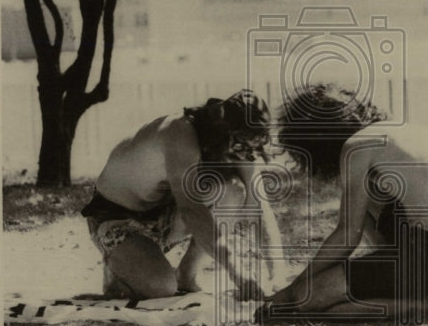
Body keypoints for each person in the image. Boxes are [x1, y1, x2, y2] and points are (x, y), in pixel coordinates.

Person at [260, 84, 428, 323]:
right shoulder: (409, 132)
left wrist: (293, 289)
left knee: (308, 297)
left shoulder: (356, 147)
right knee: (368, 206)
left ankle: (427, 303)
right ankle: (425, 292)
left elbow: (348, 235)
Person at [81, 89, 283, 301]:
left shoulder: (237, 141)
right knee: (162, 288)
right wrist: (241, 277)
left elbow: (259, 205)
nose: (246, 154)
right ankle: (117, 272)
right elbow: (192, 211)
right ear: (220, 131)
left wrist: (277, 277)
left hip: (165, 216)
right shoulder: (179, 134)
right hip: (116, 219)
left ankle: (186, 275)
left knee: (233, 189)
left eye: (253, 147)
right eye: (241, 145)